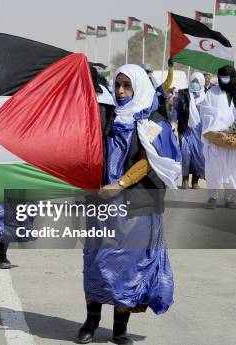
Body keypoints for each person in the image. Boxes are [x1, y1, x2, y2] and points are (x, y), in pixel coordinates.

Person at [76, 64, 181, 345]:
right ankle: (91, 322)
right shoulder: (107, 116)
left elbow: (150, 162)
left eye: (127, 86)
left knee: (127, 267)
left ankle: (119, 330)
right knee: (95, 263)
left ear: (138, 87)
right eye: (118, 85)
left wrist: (120, 185)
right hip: (101, 204)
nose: (121, 92)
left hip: (136, 206)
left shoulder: (153, 120)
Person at [199, 65, 236, 209]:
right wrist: (223, 122)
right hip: (218, 138)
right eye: (221, 77)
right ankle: (212, 198)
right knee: (214, 168)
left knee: (234, 169)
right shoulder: (212, 92)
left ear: (233, 78)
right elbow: (206, 112)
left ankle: (230, 199)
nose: (223, 80)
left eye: (226, 77)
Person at [172, 72, 206, 189]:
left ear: (201, 83)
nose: (195, 84)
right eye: (193, 82)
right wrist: (173, 122)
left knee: (198, 154)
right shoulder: (183, 94)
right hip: (185, 128)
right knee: (186, 153)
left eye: (197, 82)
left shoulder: (206, 96)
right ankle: (185, 179)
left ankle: (195, 181)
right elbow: (176, 109)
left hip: (200, 130)